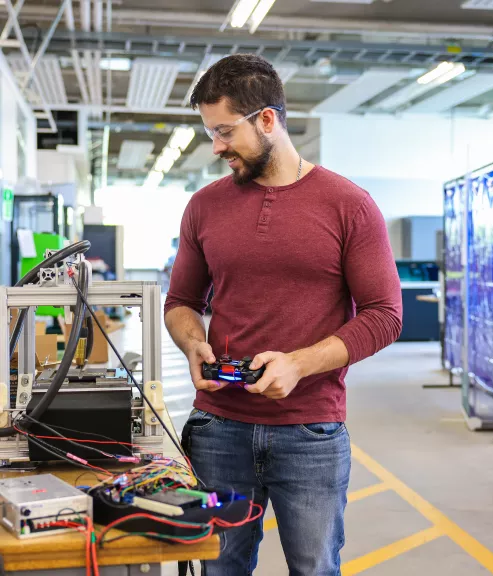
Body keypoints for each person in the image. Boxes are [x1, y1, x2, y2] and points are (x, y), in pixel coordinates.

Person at [164, 54, 403, 576]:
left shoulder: (349, 205)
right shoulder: (204, 207)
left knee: (314, 568)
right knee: (219, 567)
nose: (216, 147)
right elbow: (180, 302)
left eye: (225, 131)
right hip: (218, 427)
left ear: (267, 119)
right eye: (211, 132)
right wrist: (192, 343)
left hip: (311, 431)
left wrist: (298, 364)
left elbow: (385, 315)